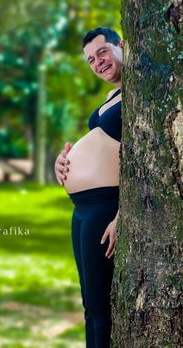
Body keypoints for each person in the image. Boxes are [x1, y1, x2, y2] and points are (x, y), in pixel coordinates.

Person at [54, 27, 123, 348]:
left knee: (100, 305)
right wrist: (63, 162)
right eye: (91, 60)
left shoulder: (147, 94)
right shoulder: (112, 96)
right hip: (82, 210)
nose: (98, 63)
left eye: (103, 52)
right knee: (89, 305)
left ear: (121, 46)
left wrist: (126, 215)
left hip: (104, 207)